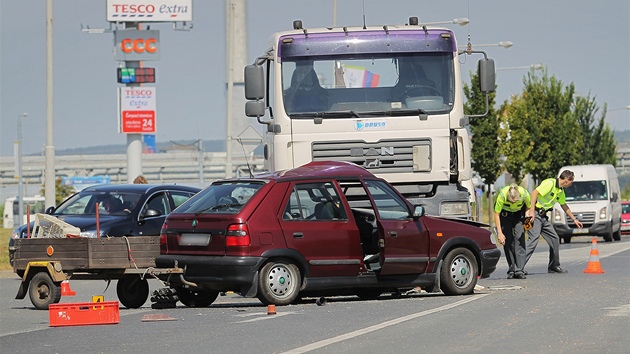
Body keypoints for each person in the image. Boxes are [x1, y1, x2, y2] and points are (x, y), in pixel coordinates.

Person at [524, 170, 583, 274]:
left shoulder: (560, 191)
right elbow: (534, 193)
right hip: (535, 214)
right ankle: (518, 267)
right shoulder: (550, 183)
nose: (571, 184)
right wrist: (532, 211)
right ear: (566, 179)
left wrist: (574, 219)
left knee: (554, 238)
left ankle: (554, 266)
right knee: (533, 240)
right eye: (571, 181)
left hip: (543, 217)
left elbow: (564, 205)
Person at [494, 183, 531, 279]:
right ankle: (512, 269)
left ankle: (520, 270)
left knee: (519, 240)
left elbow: (528, 207)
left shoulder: (525, 194)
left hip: (518, 216)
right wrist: (499, 233)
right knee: (508, 242)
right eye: (511, 201)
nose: (513, 203)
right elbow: (496, 214)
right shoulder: (502, 195)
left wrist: (527, 221)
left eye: (515, 201)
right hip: (505, 216)